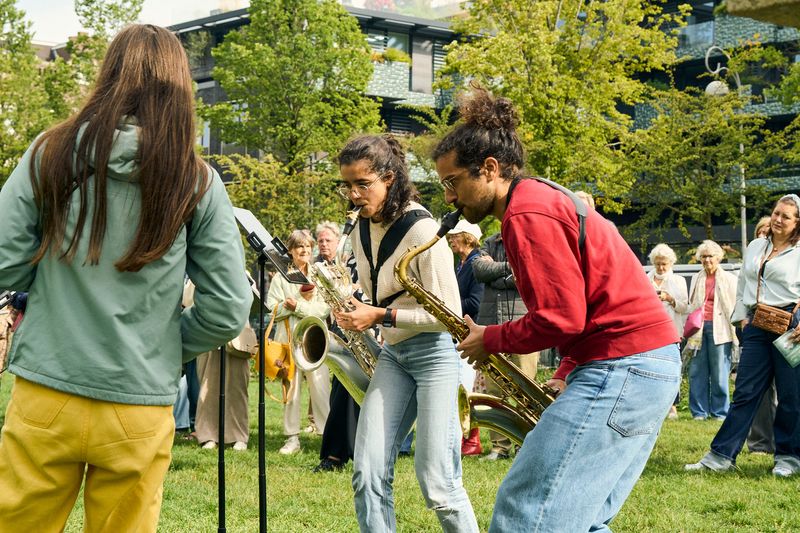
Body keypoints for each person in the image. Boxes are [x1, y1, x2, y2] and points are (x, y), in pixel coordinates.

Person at [0, 24, 252, 531]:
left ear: (108, 74)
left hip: (48, 390)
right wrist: (164, 347)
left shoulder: (51, 152)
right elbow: (227, 307)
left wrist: (49, 268)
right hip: (138, 403)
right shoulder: (197, 179)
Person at [433, 86, 680, 532]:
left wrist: (489, 338)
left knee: (527, 509)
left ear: (489, 169)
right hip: (643, 365)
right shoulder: (542, 198)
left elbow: (561, 318)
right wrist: (567, 368)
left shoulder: (527, 214)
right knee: (580, 518)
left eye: (452, 182)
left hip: (624, 366)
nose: (450, 198)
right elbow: (585, 302)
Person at [334, 134, 479, 532]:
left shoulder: (423, 231)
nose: (354, 195)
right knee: (366, 473)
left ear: (391, 178)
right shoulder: (362, 228)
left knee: (438, 484)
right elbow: (375, 290)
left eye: (363, 184)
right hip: (395, 356)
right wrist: (350, 305)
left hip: (433, 355)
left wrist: (378, 316)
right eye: (348, 185)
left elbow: (449, 315)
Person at [686, 195, 800, 477]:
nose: (777, 219)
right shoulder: (756, 245)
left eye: (786, 216)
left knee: (791, 394)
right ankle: (721, 455)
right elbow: (745, 283)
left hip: (792, 325)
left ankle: (788, 457)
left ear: (797, 222)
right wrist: (742, 318)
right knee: (746, 392)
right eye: (775, 213)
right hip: (757, 324)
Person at [472, 232, 539, 460]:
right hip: (491, 324)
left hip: (525, 326)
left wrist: (496, 271)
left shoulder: (528, 240)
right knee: (493, 391)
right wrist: (509, 268)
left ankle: (525, 442)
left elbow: (529, 274)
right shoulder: (490, 242)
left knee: (526, 389)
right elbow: (479, 271)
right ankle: (499, 447)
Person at [266, 229, 331, 455]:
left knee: (321, 389)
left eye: (307, 246)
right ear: (291, 251)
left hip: (315, 342)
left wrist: (299, 307)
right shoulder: (279, 277)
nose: (304, 250)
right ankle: (292, 438)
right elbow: (271, 308)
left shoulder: (320, 275)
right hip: (289, 342)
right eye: (299, 247)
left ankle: (326, 436)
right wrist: (288, 306)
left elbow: (325, 308)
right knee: (291, 391)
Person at [313, 221, 362, 472]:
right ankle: (335, 454)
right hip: (346, 330)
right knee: (341, 390)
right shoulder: (350, 262)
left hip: (371, 327)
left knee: (359, 396)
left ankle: (352, 453)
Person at [684, 240, 738, 420]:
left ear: (718, 258)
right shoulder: (696, 278)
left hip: (721, 329)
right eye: (704, 256)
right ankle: (699, 412)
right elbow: (691, 305)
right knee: (697, 371)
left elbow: (736, 305)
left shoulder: (730, 279)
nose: (707, 260)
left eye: (710, 256)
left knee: (720, 372)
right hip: (698, 330)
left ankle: (720, 413)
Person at [446, 219, 485, 456]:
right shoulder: (461, 263)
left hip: (471, 333)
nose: (450, 239)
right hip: (460, 332)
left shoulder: (475, 263)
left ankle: (469, 440)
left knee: (464, 386)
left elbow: (475, 303)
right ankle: (465, 439)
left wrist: (446, 305)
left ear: (468, 238)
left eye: (455, 236)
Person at [746, 216, 778, 454]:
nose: (762, 234)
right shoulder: (751, 257)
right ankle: (759, 442)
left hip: (783, 325)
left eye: (766, 231)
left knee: (785, 388)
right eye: (759, 230)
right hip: (754, 326)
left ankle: (784, 443)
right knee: (758, 389)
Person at [647, 244, 689, 419]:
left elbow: (685, 307)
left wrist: (669, 298)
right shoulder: (646, 278)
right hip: (649, 330)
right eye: (657, 264)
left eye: (664, 264)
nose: (661, 267)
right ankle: (652, 404)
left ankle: (672, 405)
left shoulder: (678, 280)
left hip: (671, 330)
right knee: (650, 367)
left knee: (671, 368)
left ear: (671, 263)